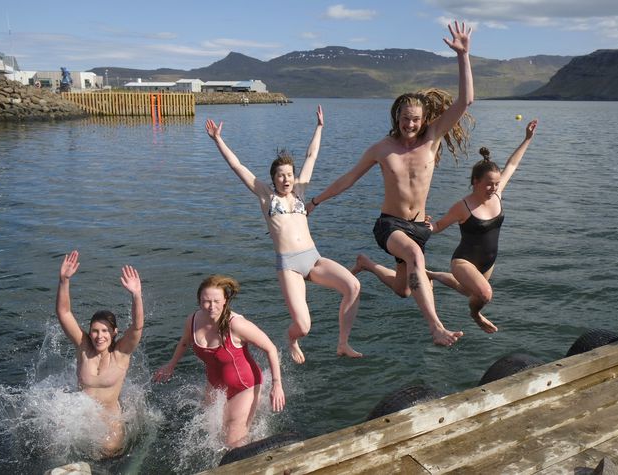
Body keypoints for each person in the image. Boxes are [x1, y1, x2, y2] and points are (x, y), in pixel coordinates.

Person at [306, 21, 474, 347]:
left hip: (419, 225)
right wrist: (315, 201)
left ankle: (367, 265)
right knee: (415, 256)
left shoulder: (432, 138)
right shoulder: (382, 149)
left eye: (416, 119)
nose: (410, 124)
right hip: (390, 225)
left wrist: (463, 56)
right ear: (396, 116)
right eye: (404, 118)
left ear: (424, 119)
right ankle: (436, 327)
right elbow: (349, 178)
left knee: (404, 289)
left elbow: (465, 101)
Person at [205, 105, 362, 364]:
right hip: (289, 266)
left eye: (289, 174)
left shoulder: (300, 192)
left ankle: (343, 343)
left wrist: (320, 128)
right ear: (273, 178)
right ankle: (291, 339)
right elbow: (238, 166)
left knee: (353, 286)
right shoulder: (266, 196)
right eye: (281, 175)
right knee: (303, 325)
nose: (286, 179)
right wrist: (219, 140)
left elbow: (311, 156)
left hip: (313, 259)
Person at [427, 119, 539, 333]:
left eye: (496, 183)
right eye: (488, 183)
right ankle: (475, 315)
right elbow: (439, 225)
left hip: (488, 262)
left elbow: (512, 165)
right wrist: (424, 226)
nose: (493, 187)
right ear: (475, 181)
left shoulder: (497, 195)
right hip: (463, 262)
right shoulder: (463, 206)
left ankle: (431, 274)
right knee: (484, 294)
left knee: (466, 290)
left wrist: (526, 139)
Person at [152, 275, 285, 448]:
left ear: (225, 301)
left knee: (232, 444)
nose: (211, 306)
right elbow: (184, 342)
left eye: (216, 301)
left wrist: (277, 384)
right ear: (199, 301)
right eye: (206, 301)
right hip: (215, 383)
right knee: (211, 434)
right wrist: (171, 365)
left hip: (244, 386)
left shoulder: (236, 325)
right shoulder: (193, 321)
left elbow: (270, 348)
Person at [55, 250, 144, 457]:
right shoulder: (83, 347)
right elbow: (64, 313)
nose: (99, 336)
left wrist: (136, 295)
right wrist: (64, 280)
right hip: (81, 412)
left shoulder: (121, 353)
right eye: (95, 330)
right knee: (54, 444)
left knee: (110, 450)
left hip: (109, 415)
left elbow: (138, 327)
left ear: (114, 333)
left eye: (105, 331)